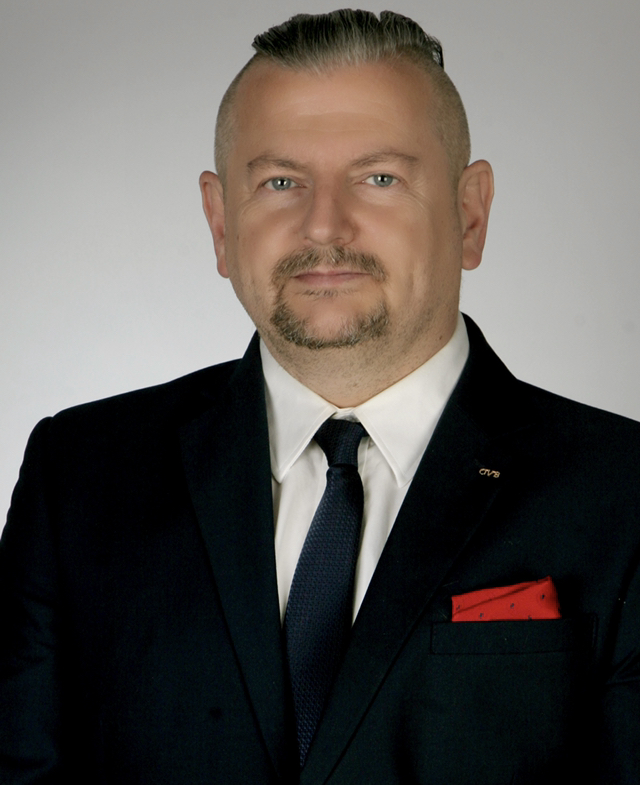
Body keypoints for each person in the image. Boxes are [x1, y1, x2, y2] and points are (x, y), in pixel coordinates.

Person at [1, 9, 638, 784]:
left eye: (379, 178)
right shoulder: (80, 477)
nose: (324, 225)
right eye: (280, 181)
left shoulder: (623, 491)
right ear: (220, 222)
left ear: (470, 214)